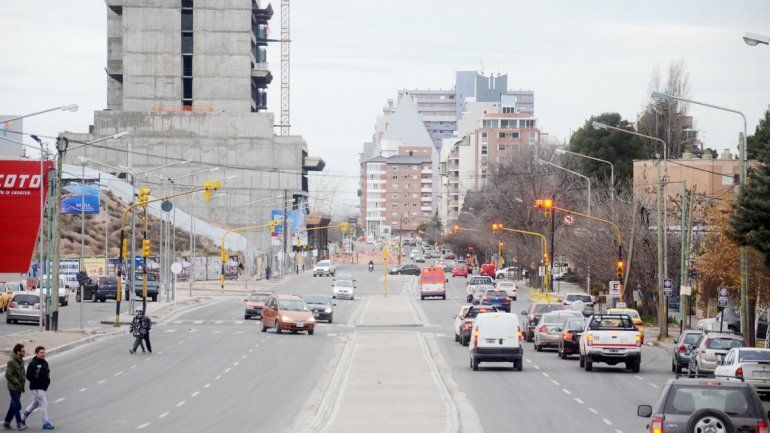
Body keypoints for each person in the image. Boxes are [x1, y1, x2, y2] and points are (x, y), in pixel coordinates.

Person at [21, 346, 53, 430]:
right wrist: (38, 382)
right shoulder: (33, 363)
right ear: (36, 353)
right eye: (41, 352)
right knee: (44, 403)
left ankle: (22, 419)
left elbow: (47, 373)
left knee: (34, 404)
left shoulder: (45, 362)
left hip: (42, 387)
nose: (43, 354)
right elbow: (28, 376)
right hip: (36, 387)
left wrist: (47, 381)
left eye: (44, 352)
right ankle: (45, 423)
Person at [4, 343, 27, 430]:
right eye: (23, 351)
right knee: (17, 405)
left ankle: (7, 422)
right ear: (18, 352)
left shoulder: (21, 361)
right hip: (13, 387)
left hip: (19, 387)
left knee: (13, 405)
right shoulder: (12, 362)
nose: (24, 352)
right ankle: (19, 424)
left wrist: (22, 382)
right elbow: (8, 375)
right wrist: (16, 382)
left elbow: (22, 374)